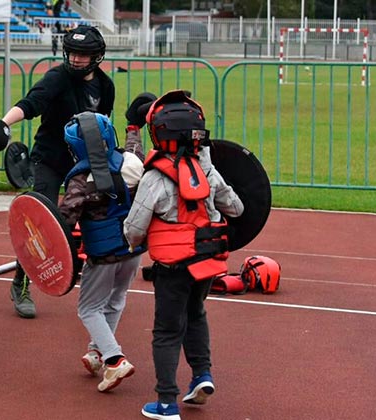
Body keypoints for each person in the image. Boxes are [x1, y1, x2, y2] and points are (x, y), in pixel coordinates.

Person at [123, 90, 244, 420]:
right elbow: (236, 207)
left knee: (166, 330)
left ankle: (165, 403)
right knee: (196, 314)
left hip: (172, 266)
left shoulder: (155, 176)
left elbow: (135, 228)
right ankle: (202, 376)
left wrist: (132, 241)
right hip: (206, 264)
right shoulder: (208, 170)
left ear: (159, 133)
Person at [0, 25, 115, 319]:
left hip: (84, 164)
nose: (76, 59)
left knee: (100, 220)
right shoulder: (57, 77)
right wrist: (4, 123)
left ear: (97, 56)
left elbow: (103, 125)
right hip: (49, 161)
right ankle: (20, 283)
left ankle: (99, 290)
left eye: (83, 54)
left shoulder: (105, 86)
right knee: (39, 224)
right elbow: (31, 103)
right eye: (73, 52)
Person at [58, 93, 155, 392]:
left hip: (103, 255)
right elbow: (134, 150)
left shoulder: (79, 180)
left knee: (88, 308)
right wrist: (133, 127)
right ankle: (96, 352)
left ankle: (114, 360)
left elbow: (64, 221)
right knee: (115, 300)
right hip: (134, 249)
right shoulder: (131, 162)